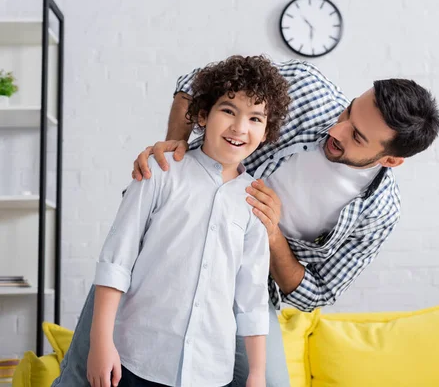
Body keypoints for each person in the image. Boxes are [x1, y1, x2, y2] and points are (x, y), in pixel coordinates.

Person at [53, 57, 439, 387]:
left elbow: (316, 293)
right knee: (83, 369)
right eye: (348, 111)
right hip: (169, 241)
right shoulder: (309, 87)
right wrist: (173, 151)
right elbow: (196, 84)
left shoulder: (378, 213)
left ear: (390, 159)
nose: (335, 129)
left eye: (355, 137)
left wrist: (272, 236)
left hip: (241, 280)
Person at [58, 55, 291, 387]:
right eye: (228, 110)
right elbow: (116, 261)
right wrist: (100, 342)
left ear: (266, 131)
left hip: (210, 372)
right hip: (135, 359)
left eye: (255, 118)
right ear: (201, 114)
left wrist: (256, 373)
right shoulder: (160, 171)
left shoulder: (254, 201)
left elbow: (251, 296)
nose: (240, 127)